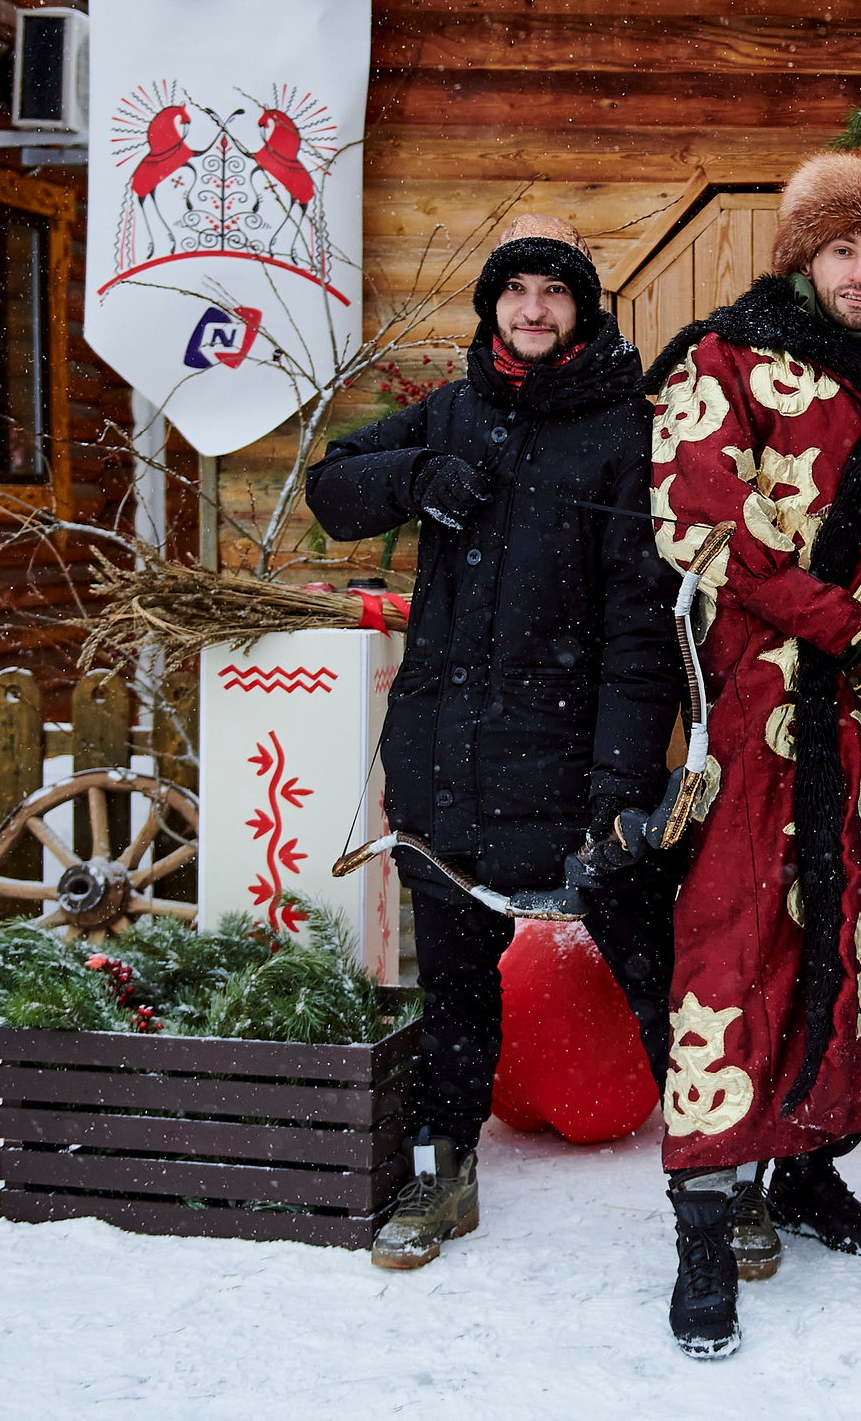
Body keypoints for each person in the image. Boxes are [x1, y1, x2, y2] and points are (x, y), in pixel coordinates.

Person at [303, 216, 680, 1272]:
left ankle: (715, 1179)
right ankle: (442, 1172)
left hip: (570, 762)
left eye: (551, 293)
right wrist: (417, 476)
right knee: (457, 987)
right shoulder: (453, 412)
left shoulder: (623, 430)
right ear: (492, 309)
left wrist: (621, 777)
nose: (530, 309)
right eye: (513, 292)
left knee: (657, 975)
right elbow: (332, 488)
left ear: (582, 311)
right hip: (446, 753)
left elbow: (639, 626)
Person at [637, 152, 861, 1358]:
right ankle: (703, 1216)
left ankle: (811, 1167)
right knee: (736, 940)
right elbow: (694, 513)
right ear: (803, 255)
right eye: (844, 251)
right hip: (767, 701)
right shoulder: (721, 360)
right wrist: (825, 615)